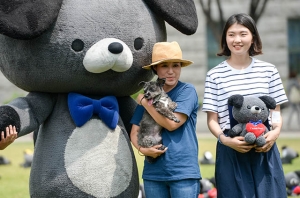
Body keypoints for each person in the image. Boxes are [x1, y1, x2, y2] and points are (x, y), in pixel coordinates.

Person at [202, 13, 288, 198]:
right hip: (230, 150)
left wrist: (274, 134)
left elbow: (276, 113)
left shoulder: (269, 71)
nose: (237, 40)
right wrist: (225, 140)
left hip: (264, 147)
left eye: (243, 34)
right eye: (231, 34)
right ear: (225, 38)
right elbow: (212, 119)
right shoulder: (214, 75)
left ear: (253, 38)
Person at [130, 41, 201, 198]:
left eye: (176, 65)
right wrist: (143, 150)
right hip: (153, 174)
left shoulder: (187, 91)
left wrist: (145, 102)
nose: (171, 71)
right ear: (155, 68)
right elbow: (135, 131)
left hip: (183, 173)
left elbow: (171, 123)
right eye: (164, 66)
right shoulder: (149, 91)